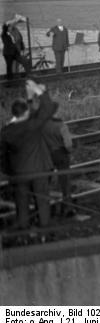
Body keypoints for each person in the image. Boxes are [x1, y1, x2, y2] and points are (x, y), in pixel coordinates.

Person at [0, 80, 58, 231]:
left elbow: (3, 155)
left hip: (19, 174)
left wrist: (8, 172)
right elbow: (48, 108)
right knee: (42, 200)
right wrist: (38, 91)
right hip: (39, 170)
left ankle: (24, 231)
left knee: (21, 203)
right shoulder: (32, 125)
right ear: (26, 112)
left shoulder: (6, 131)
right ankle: (45, 230)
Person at [41, 107, 74, 216]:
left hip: (46, 155)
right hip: (60, 154)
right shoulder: (61, 125)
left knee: (45, 182)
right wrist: (70, 151)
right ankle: (67, 208)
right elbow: (68, 144)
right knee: (65, 182)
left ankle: (45, 209)